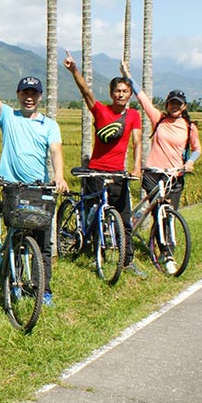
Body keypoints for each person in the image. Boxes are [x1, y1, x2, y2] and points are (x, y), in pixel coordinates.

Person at [0, 39, 69, 306]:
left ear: (39, 97)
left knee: (42, 244)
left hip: (39, 189)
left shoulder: (50, 125)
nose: (29, 97)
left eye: (34, 93)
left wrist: (58, 176)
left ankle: (43, 289)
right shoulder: (9, 117)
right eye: (25, 92)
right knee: (14, 236)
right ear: (18, 94)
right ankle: (11, 281)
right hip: (13, 187)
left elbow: (56, 151)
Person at [63, 50, 144, 277]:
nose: (121, 94)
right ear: (111, 93)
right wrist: (74, 70)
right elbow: (86, 91)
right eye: (117, 91)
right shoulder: (101, 110)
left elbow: (137, 142)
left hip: (118, 173)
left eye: (125, 91)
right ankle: (91, 250)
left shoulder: (133, 116)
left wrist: (136, 167)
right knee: (93, 215)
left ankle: (127, 262)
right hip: (96, 171)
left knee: (124, 220)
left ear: (130, 95)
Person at [123, 64, 202, 274]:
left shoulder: (189, 127)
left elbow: (197, 149)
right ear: (167, 104)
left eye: (178, 104)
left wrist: (190, 162)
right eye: (172, 103)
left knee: (169, 213)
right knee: (158, 210)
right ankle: (163, 250)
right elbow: (142, 99)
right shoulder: (159, 119)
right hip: (152, 173)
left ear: (183, 106)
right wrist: (127, 76)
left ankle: (167, 251)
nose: (174, 106)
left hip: (174, 176)